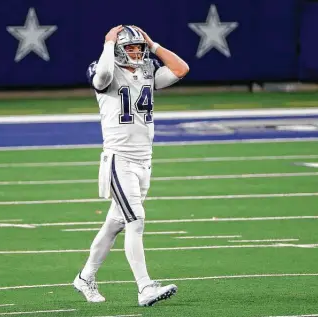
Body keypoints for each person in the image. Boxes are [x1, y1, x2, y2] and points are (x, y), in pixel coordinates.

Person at [73, 25, 189, 307]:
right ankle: (145, 287)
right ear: (116, 49)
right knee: (135, 220)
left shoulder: (147, 69)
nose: (137, 53)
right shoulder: (104, 67)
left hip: (144, 159)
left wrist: (153, 43)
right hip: (119, 158)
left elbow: (181, 69)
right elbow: (101, 77)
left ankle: (85, 277)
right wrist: (108, 43)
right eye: (131, 47)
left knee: (115, 224)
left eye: (139, 48)